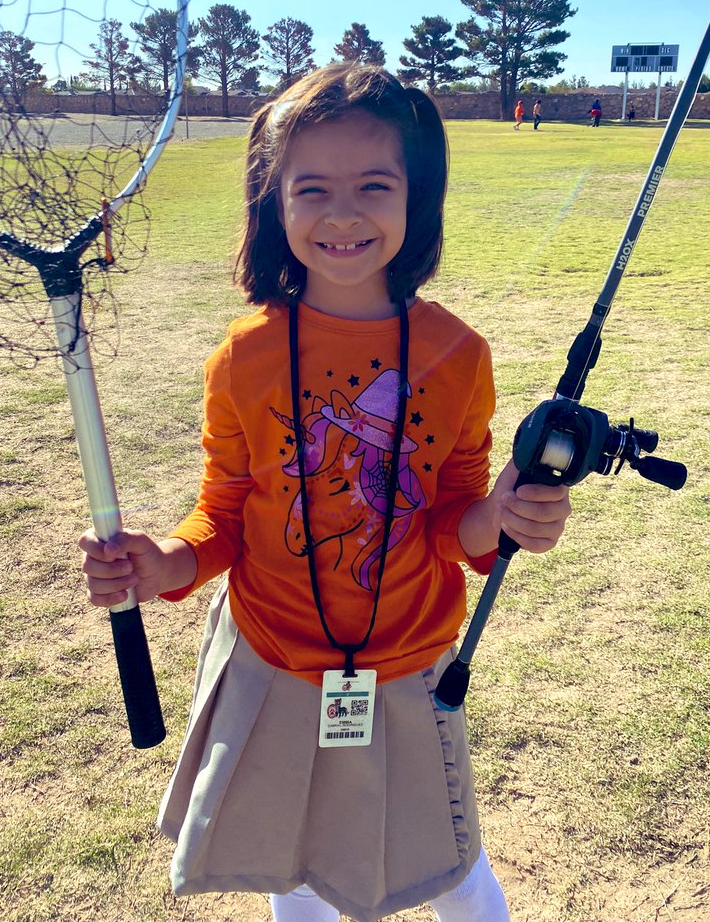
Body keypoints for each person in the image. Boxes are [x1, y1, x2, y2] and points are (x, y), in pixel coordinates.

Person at [79, 64, 571, 922]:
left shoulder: (460, 354)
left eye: (374, 185)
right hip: (274, 660)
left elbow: (455, 517)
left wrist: (499, 516)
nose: (343, 213)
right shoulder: (245, 355)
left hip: (412, 660)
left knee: (450, 862)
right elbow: (224, 511)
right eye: (312, 189)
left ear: (418, 197)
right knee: (293, 864)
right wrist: (171, 560)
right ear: (275, 204)